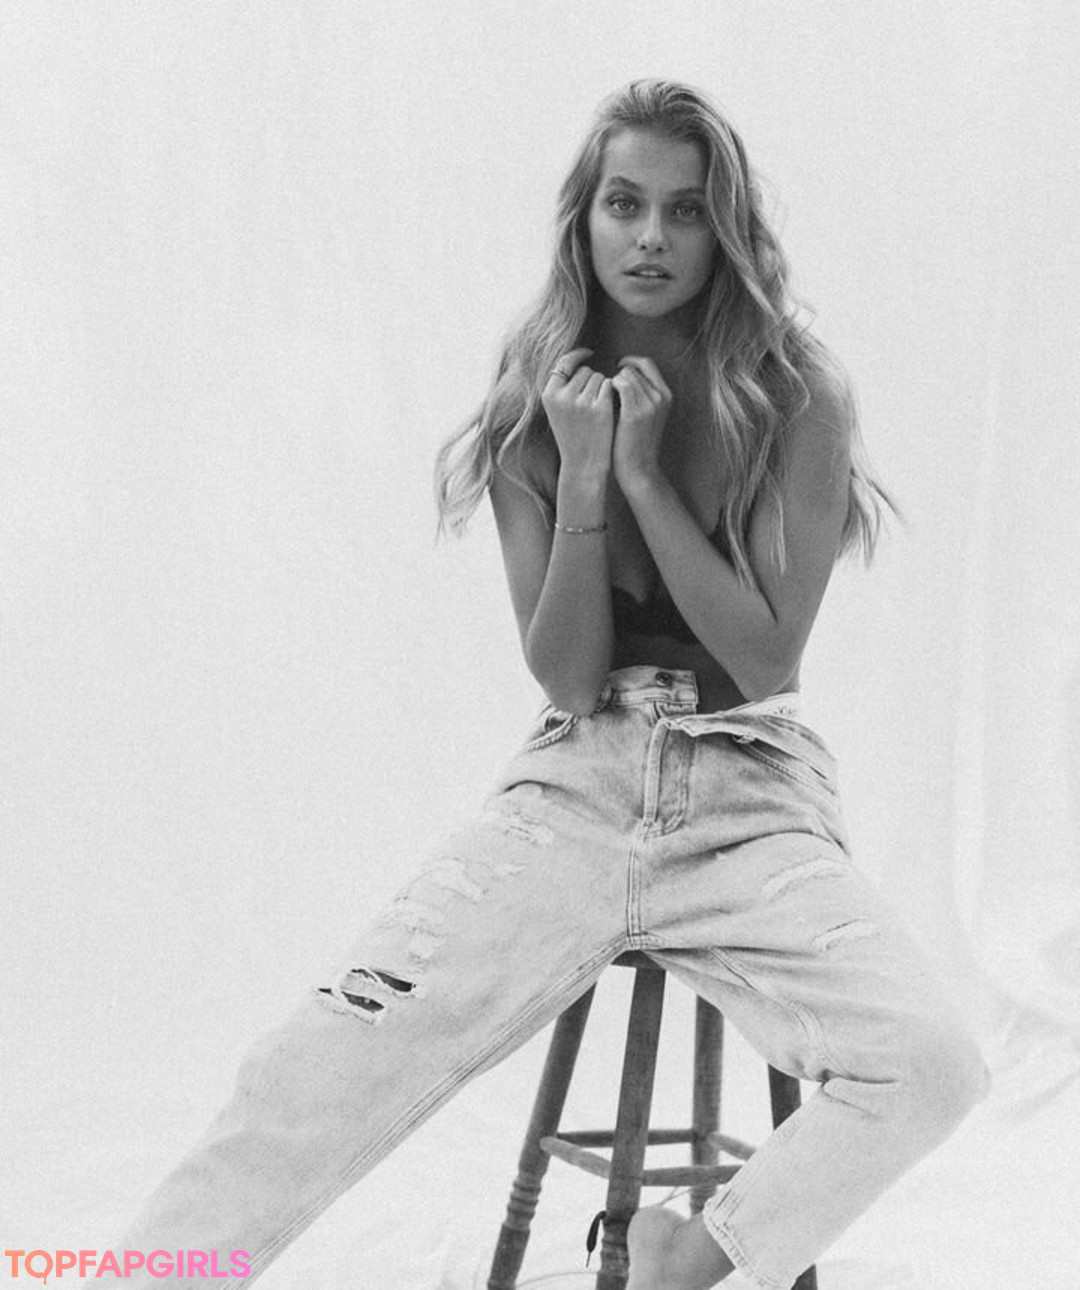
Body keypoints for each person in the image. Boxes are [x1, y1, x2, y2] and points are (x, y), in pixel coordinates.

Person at [96, 80, 989, 1290]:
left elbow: (765, 658)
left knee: (932, 1062)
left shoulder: (796, 394)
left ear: (725, 232)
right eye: (626, 204)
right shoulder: (536, 398)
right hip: (575, 784)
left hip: (747, 793)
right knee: (308, 1070)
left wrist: (646, 477)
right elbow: (568, 673)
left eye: (686, 211)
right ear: (584, 218)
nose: (652, 237)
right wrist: (581, 481)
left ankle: (695, 1253)